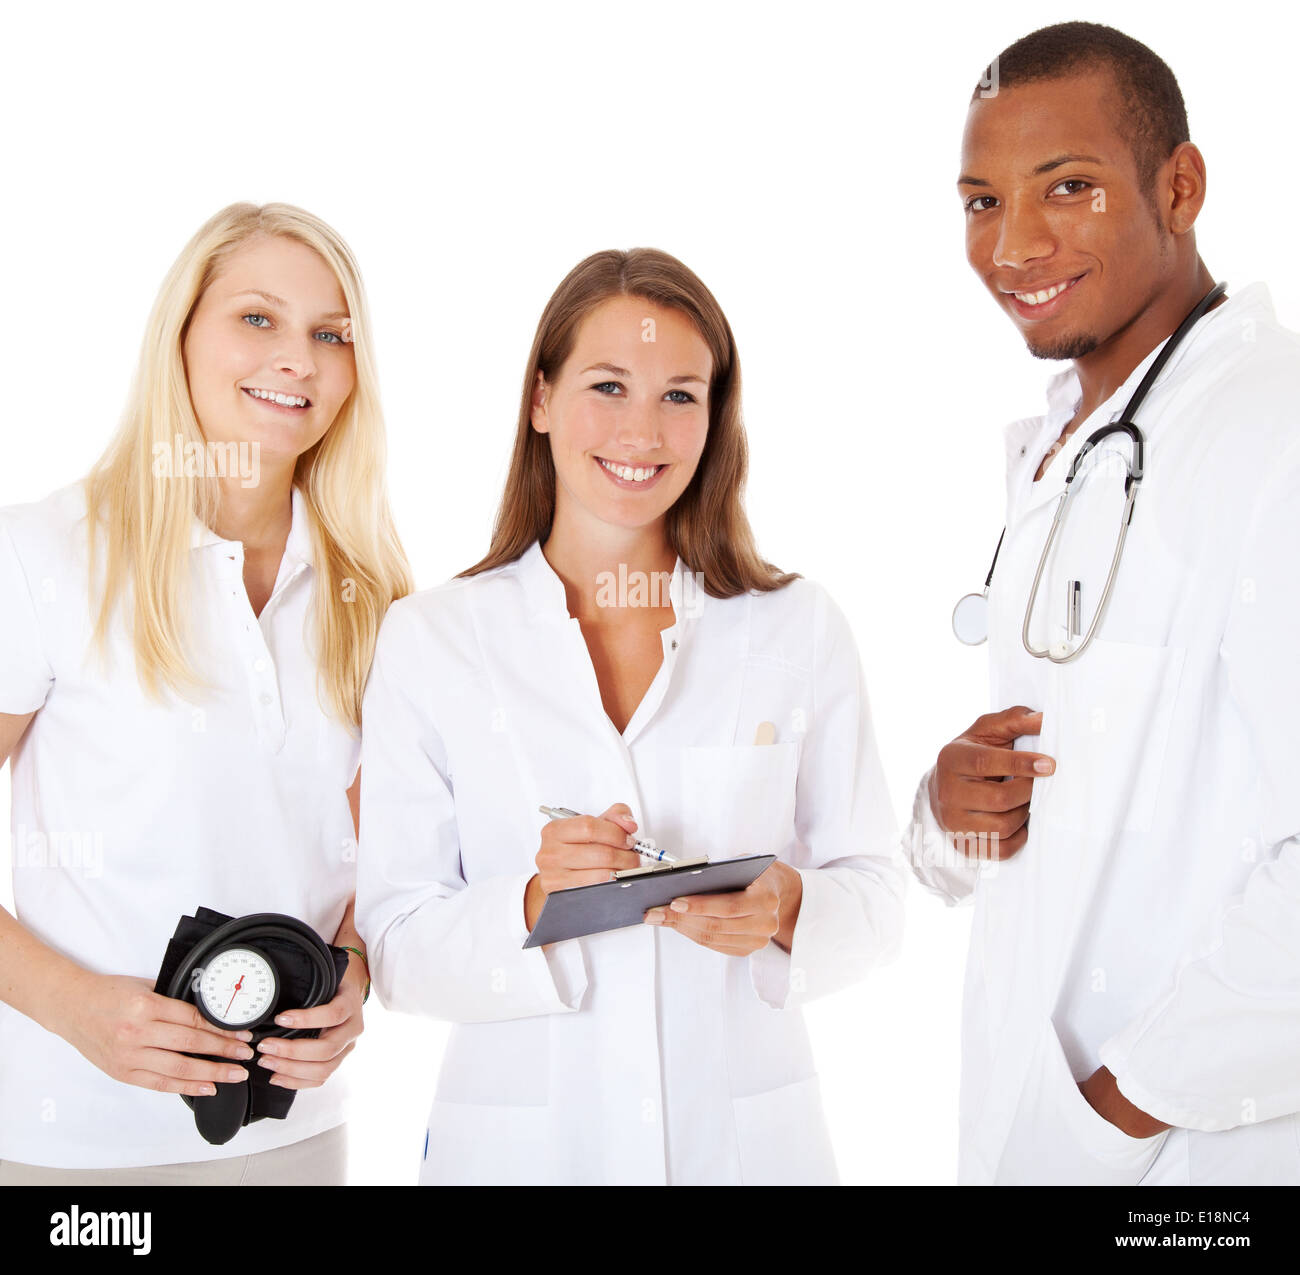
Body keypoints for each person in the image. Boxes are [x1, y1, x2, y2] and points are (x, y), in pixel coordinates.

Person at [355, 247, 905, 1185]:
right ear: (540, 399)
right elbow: (397, 945)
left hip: (742, 1147)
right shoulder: (432, 639)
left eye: (680, 395)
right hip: (524, 1149)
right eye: (608, 385)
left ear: (715, 417)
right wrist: (534, 902)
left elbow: (880, 898)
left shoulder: (795, 627)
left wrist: (787, 905)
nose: (641, 430)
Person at [905, 22, 1300, 1185]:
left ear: (1178, 187)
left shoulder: (1269, 435)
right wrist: (944, 810)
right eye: (980, 201)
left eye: (1065, 189)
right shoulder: (1076, 447)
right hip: (1046, 1133)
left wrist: (1113, 1111)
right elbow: (1108, 787)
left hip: (1187, 1161)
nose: (1012, 244)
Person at [0, 202, 412, 1184]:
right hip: (77, 1148)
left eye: (331, 334)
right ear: (179, 334)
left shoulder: (376, 592)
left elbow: (386, 861)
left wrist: (353, 973)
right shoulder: (44, 555)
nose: (298, 360)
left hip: (299, 1136)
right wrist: (68, 1004)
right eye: (258, 319)